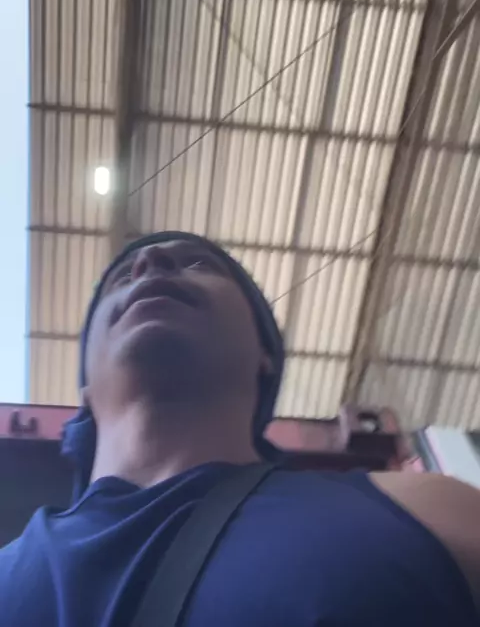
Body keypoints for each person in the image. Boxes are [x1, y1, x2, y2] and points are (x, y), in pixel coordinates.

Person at [0, 230, 479, 626]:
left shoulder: (430, 511)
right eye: (122, 278)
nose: (150, 261)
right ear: (84, 390)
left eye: (198, 264)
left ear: (265, 353)